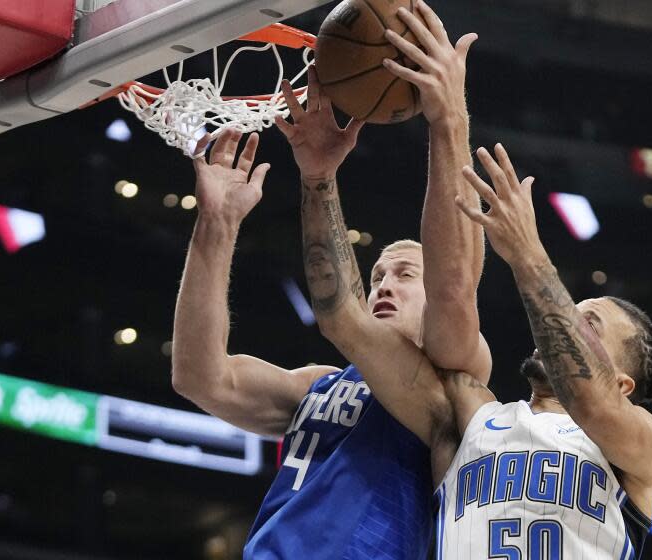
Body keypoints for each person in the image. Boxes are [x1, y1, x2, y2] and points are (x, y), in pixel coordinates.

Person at [170, 3, 487, 558]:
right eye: (379, 272)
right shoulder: (320, 385)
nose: (383, 282)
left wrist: (448, 119)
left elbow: (454, 278)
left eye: (405, 273)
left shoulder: (459, 378)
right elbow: (200, 376)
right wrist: (216, 227)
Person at [305, 142, 652, 559]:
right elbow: (346, 320)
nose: (561, 323)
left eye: (586, 323)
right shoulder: (468, 412)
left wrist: (526, 252)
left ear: (624, 384)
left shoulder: (646, 445)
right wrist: (318, 177)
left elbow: (593, 404)